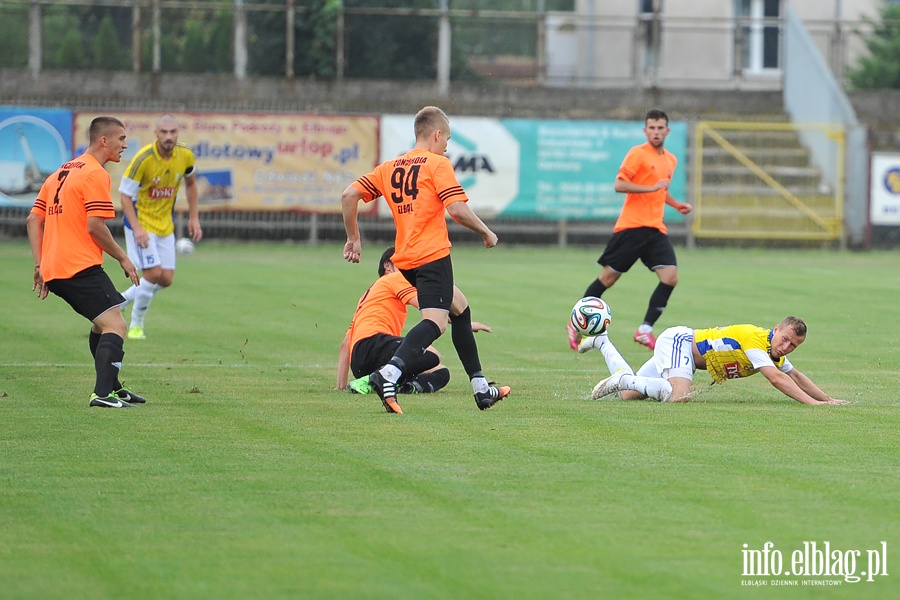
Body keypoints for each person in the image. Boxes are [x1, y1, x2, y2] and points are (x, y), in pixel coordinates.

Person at [341, 105, 510, 414]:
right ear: (436, 134)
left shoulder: (389, 167)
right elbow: (457, 210)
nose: (446, 146)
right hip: (432, 255)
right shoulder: (437, 164)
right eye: (446, 139)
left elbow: (349, 195)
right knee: (435, 323)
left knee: (459, 308)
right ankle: (388, 374)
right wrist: (486, 232)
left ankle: (481, 388)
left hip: (405, 260)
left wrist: (353, 238)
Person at [26, 116, 147, 408]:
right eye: (121, 138)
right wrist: (123, 257)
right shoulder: (95, 173)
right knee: (115, 325)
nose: (125, 144)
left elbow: (33, 219)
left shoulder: (60, 172)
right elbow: (95, 226)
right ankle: (102, 394)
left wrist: (40, 264)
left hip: (56, 266)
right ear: (103, 141)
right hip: (77, 265)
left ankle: (113, 388)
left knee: (102, 323)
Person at [567, 109, 692, 352]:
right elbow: (620, 184)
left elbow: (661, 190)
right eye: (651, 128)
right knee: (608, 279)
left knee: (670, 277)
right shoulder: (637, 153)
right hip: (631, 227)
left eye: (660, 128)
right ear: (646, 131)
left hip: (655, 229)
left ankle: (645, 330)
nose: (656, 132)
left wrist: (676, 204)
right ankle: (574, 324)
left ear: (667, 131)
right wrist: (652, 187)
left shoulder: (671, 159)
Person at [579, 316, 848, 406]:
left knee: (628, 396)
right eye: (786, 339)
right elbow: (776, 379)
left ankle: (602, 341)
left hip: (682, 351)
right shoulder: (755, 340)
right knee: (678, 396)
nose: (787, 347)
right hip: (679, 342)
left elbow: (795, 376)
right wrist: (812, 405)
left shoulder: (775, 352)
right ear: (776, 328)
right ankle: (623, 379)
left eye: (794, 345)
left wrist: (827, 400)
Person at [336, 247, 493, 398]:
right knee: (432, 354)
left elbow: (346, 344)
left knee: (441, 373)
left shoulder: (368, 297)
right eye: (402, 262)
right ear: (388, 266)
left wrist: (340, 387)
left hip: (360, 361)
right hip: (374, 345)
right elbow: (431, 306)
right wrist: (464, 324)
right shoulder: (394, 278)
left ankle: (403, 386)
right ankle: (374, 379)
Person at [118, 114, 202, 340]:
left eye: (172, 132)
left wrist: (194, 218)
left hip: (165, 225)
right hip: (142, 222)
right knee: (153, 273)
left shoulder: (185, 155)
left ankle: (120, 301)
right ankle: (136, 326)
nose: (168, 136)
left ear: (178, 133)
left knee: (166, 279)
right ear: (156, 133)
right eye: (163, 132)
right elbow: (125, 196)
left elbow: (191, 184)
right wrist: (137, 229)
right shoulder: (143, 159)